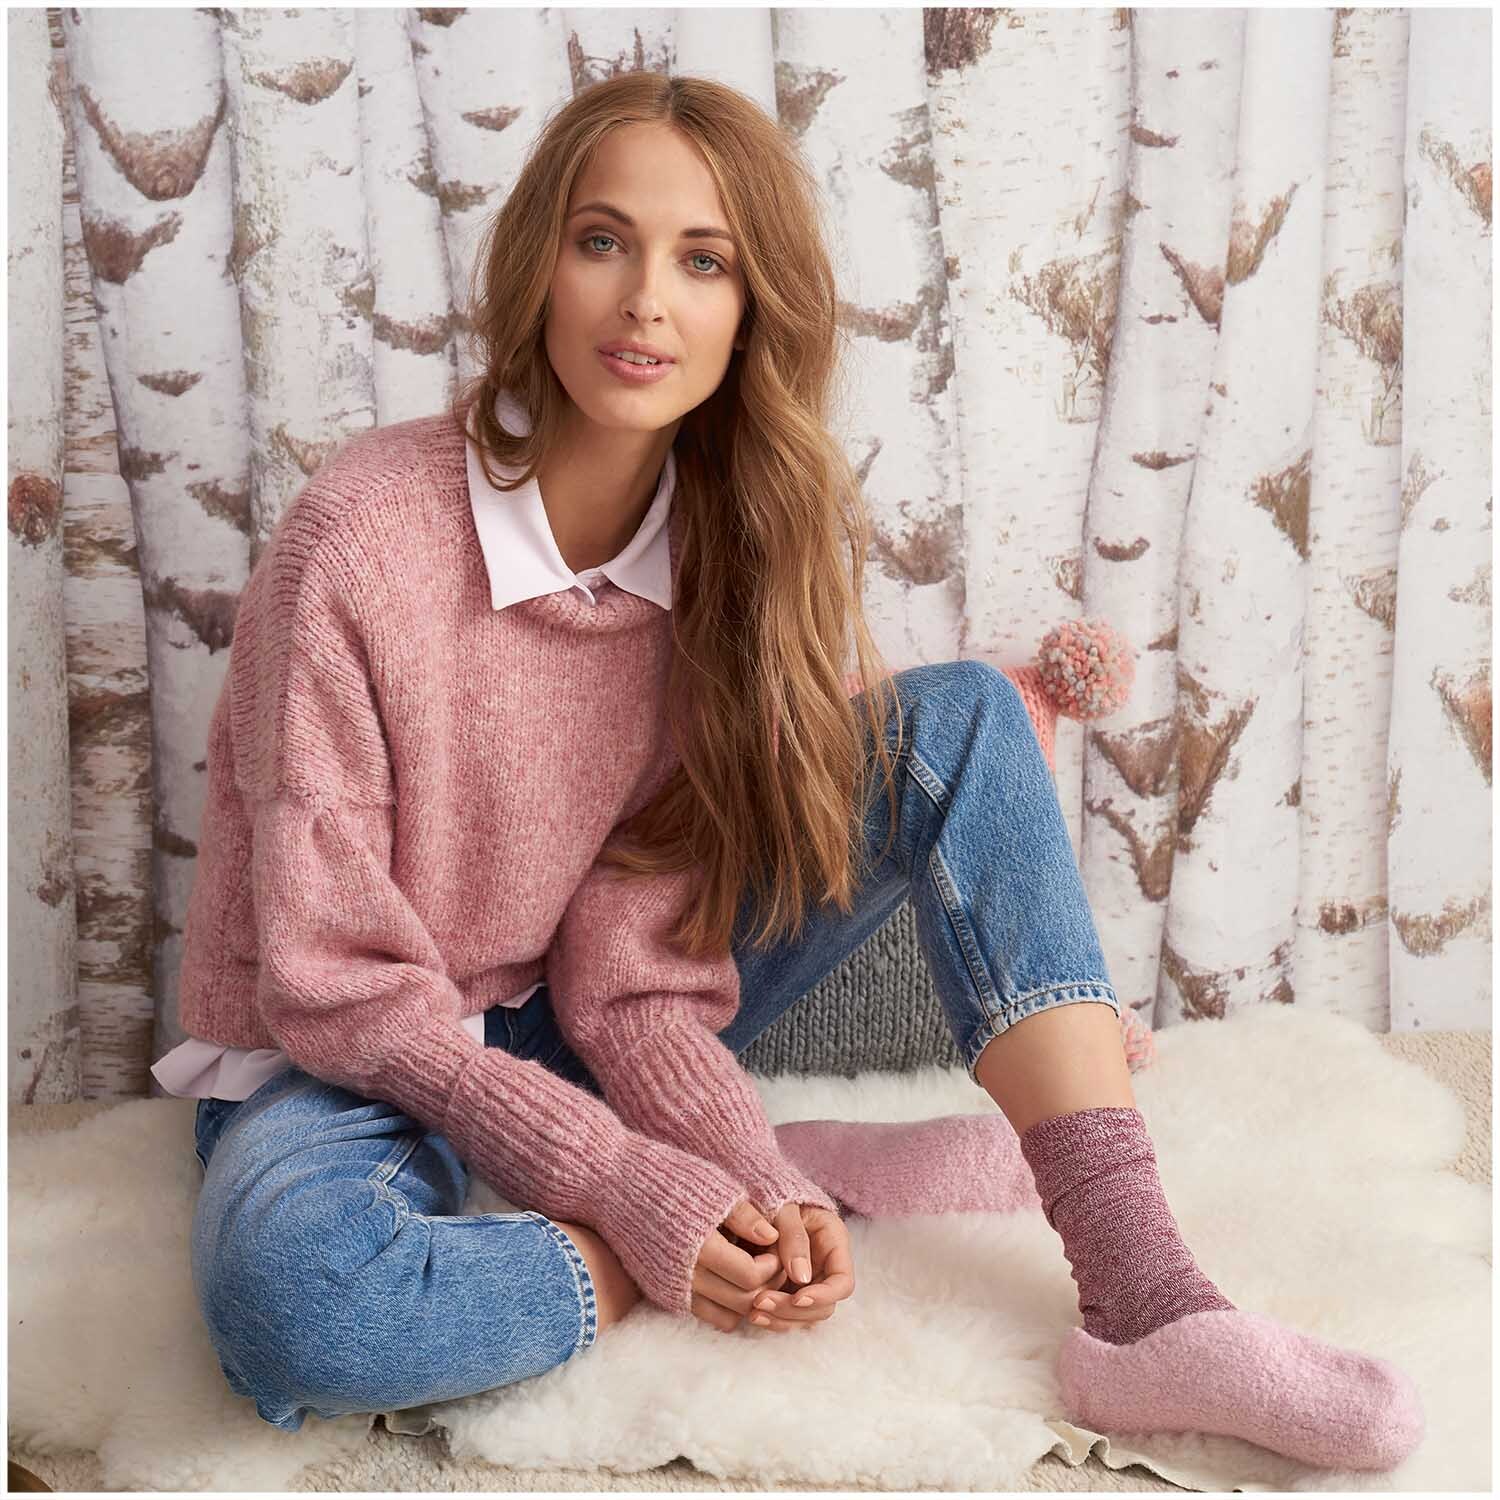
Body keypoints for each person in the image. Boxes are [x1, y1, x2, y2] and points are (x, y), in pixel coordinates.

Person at [160, 72, 1422, 1471]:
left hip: (584, 1019)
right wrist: (642, 1201)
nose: (648, 300)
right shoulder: (359, 540)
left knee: (962, 722)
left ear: (753, 309)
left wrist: (738, 1168)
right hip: (353, 1056)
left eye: (704, 261)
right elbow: (334, 984)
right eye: (603, 241)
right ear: (537, 268)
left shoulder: (747, 547)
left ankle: (1151, 1304)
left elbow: (638, 962)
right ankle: (745, 1208)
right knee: (301, 1307)